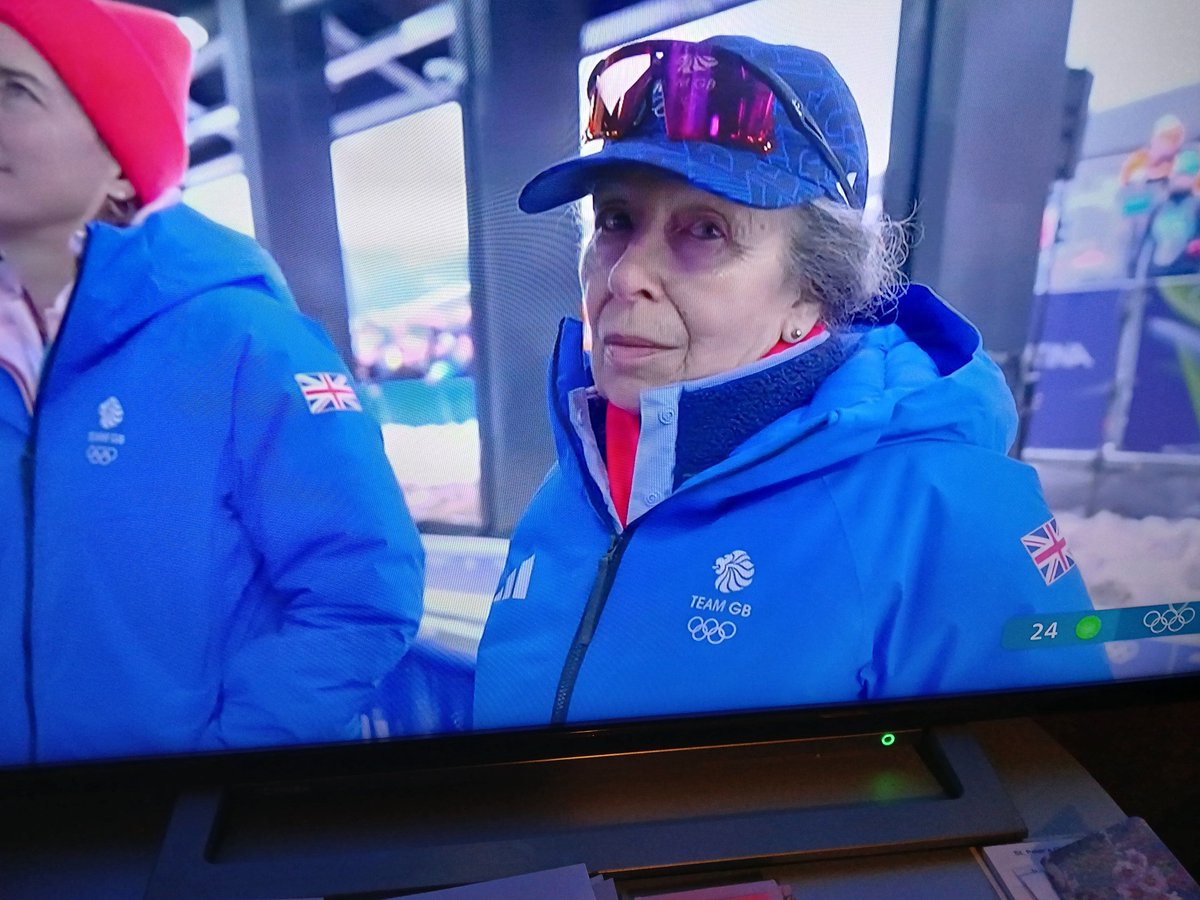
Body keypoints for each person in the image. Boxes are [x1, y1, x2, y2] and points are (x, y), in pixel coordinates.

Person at [472, 36, 1112, 730]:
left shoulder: (949, 515)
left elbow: (1048, 782)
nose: (625, 274)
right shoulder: (582, 479)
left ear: (812, 289)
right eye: (616, 220)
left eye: (705, 231)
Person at [0, 0, 423, 765]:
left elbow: (361, 593)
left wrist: (218, 776)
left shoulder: (245, 341)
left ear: (117, 156)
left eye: (13, 91)